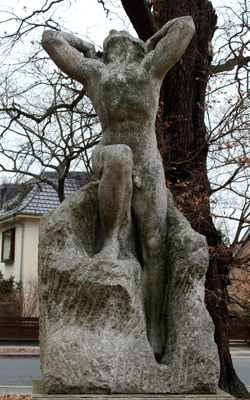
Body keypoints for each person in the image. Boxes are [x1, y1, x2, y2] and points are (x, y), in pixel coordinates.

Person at [42, 17, 195, 355]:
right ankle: (110, 242)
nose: (117, 35)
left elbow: (185, 26)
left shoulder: (150, 68)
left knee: (154, 245)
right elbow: (51, 40)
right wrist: (85, 48)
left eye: (123, 35)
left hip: (148, 161)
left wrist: (153, 40)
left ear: (138, 46)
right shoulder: (97, 73)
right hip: (110, 155)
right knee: (120, 155)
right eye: (111, 36)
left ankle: (154, 329)